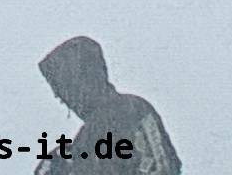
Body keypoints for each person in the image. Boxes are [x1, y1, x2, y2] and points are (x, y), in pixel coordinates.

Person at [38, 36, 179, 172]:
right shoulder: (83, 143)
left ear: (85, 79)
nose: (62, 99)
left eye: (65, 89)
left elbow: (163, 167)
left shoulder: (130, 111)